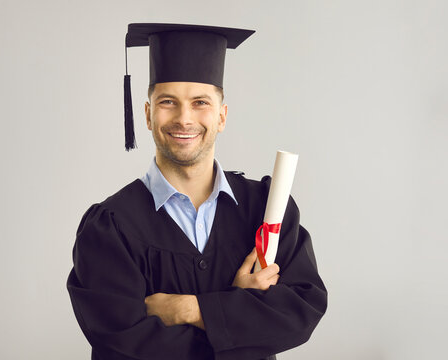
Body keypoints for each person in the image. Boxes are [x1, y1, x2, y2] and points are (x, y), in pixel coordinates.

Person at [67, 23, 327, 360]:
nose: (184, 118)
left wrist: (192, 309)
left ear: (222, 116)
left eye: (200, 102)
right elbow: (125, 346)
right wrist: (238, 317)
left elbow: (300, 312)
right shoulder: (109, 228)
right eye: (168, 102)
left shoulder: (266, 208)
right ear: (147, 115)